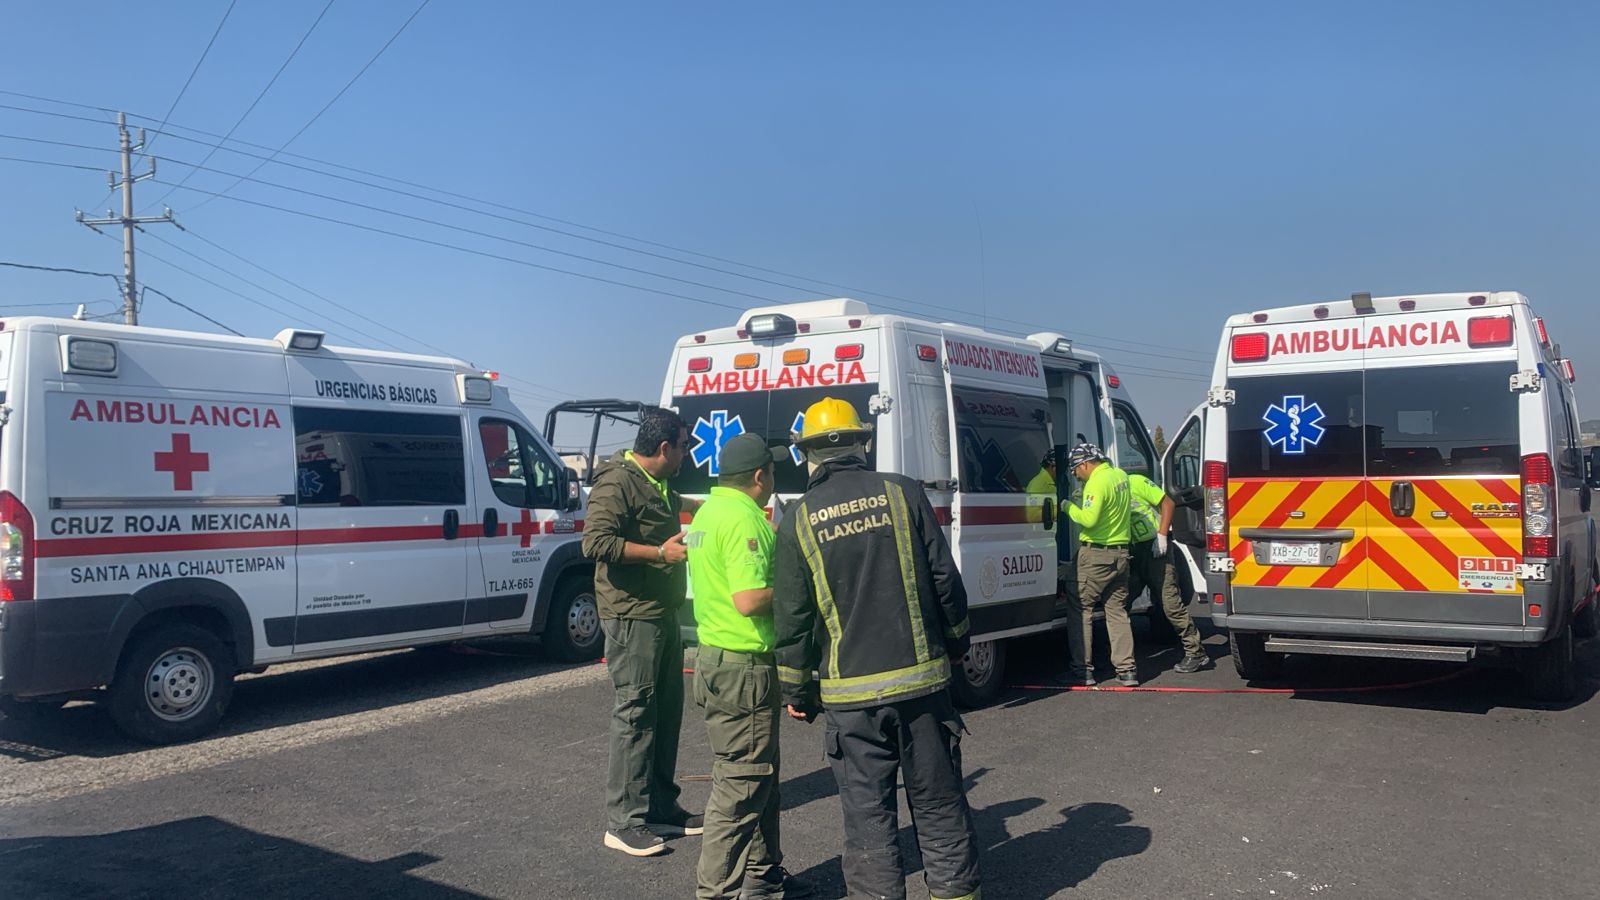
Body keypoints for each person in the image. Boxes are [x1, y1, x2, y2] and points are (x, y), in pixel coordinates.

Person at [773, 397, 982, 900]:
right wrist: (957, 645)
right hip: (923, 687)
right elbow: (945, 581)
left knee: (868, 819)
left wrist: (798, 691)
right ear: (862, 445)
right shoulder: (902, 493)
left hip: (851, 703)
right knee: (937, 804)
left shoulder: (797, 519)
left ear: (809, 455)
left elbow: (794, 619)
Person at [683, 433, 812, 899]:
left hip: (714, 659)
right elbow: (748, 599)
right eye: (773, 472)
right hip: (745, 667)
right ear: (761, 476)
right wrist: (799, 590)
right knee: (741, 787)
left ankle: (763, 875)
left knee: (760, 778)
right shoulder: (745, 521)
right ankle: (716, 891)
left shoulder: (706, 513)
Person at [582, 406, 704, 857]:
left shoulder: (657, 482)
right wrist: (658, 553)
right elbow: (594, 542)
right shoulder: (616, 481)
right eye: (685, 446)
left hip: (660, 613)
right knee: (636, 714)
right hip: (631, 617)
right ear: (665, 447)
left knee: (665, 712)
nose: (687, 454)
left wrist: (716, 506)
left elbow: (675, 507)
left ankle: (659, 807)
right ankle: (625, 821)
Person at [1061, 443, 1137, 687]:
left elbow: (1089, 520)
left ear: (1085, 463)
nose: (1074, 474)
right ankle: (1127, 670)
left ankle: (1083, 670)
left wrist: (1067, 506)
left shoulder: (1096, 481)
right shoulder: (1120, 475)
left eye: (1075, 469)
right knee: (1117, 611)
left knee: (1080, 608)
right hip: (1121, 554)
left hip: (1095, 555)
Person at [1127, 473, 1210, 673]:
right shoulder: (1106, 488)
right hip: (1133, 550)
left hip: (1157, 548)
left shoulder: (1135, 481)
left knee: (1170, 603)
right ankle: (1121, 656)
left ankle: (1195, 651)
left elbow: (1168, 503)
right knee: (1120, 602)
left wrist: (1162, 535)